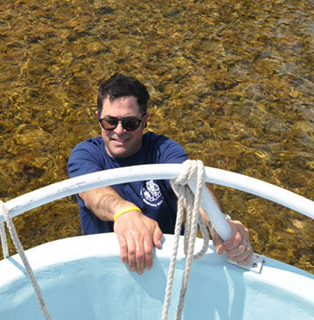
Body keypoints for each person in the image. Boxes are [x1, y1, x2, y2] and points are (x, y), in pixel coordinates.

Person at [67, 72, 252, 275]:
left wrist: (218, 223)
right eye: (110, 122)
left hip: (169, 267)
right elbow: (92, 192)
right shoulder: (84, 154)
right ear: (98, 118)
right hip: (108, 268)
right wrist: (124, 212)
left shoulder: (164, 150)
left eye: (130, 123)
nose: (119, 131)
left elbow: (188, 186)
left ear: (145, 120)